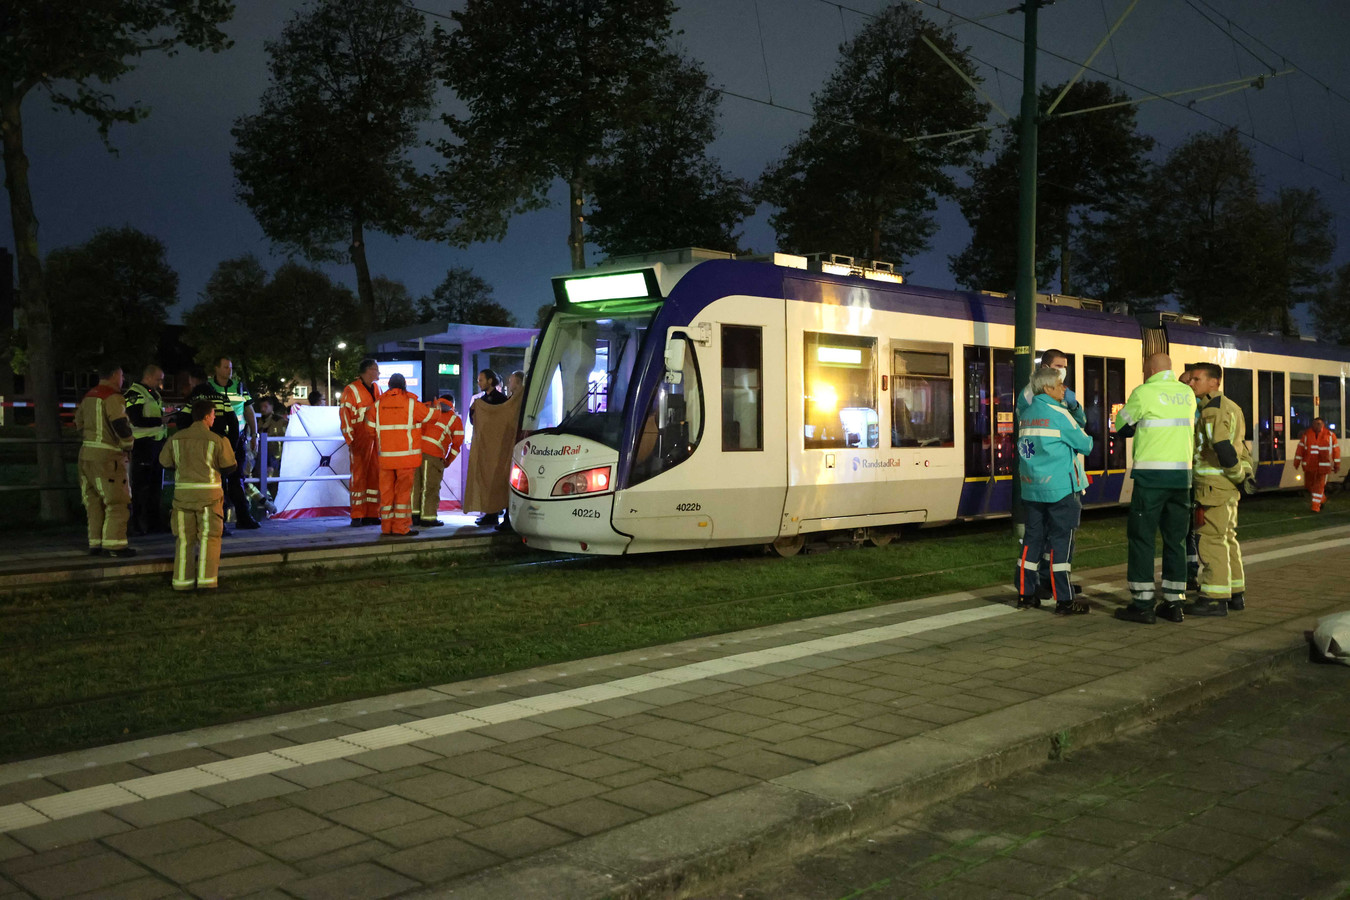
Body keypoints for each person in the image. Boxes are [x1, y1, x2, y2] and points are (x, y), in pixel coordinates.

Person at [1113, 353, 1198, 624]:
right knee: (1176, 540)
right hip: (1182, 479)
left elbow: (1121, 424)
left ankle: (1143, 603)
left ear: (1149, 370)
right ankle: (1173, 603)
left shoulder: (1144, 392)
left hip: (1151, 479)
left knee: (1142, 538)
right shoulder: (1187, 394)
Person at [1014, 366, 1094, 614]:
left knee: (1031, 541)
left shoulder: (1026, 414)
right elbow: (1087, 444)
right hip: (1060, 489)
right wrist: (1073, 409)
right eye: (1060, 385)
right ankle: (1064, 600)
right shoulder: (1059, 414)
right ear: (1048, 388)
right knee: (1061, 543)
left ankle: (1026, 595)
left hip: (1032, 489)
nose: (1064, 389)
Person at [1185, 363, 1254, 617]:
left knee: (1211, 539)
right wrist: (1242, 475)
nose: (1191, 384)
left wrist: (1235, 474)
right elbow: (1241, 446)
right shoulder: (1232, 406)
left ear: (1214, 382)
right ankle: (1236, 593)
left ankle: (1214, 598)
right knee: (1227, 538)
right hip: (1226, 487)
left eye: (1196, 379)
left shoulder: (1211, 410)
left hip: (1213, 487)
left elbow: (1222, 445)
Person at [159, 399, 237, 591]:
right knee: (209, 538)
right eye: (213, 415)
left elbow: (165, 462)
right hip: (209, 499)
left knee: (184, 540)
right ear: (206, 417)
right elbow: (229, 466)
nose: (214, 418)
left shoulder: (176, 439)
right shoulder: (216, 440)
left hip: (182, 498)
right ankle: (206, 582)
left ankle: (182, 583)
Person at [189, 356, 260, 530]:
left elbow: (249, 411)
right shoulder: (207, 389)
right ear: (217, 369)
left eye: (231, 368)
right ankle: (217, 519)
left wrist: (254, 435)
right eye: (226, 367)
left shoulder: (240, 388)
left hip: (237, 440)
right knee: (216, 479)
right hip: (215, 440)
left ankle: (243, 517)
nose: (230, 371)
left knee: (237, 479)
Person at [75, 362, 136, 557]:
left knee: (93, 503)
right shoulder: (113, 397)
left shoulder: (89, 396)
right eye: (121, 375)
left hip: (86, 456)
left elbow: (78, 423)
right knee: (117, 501)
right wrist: (128, 444)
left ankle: (96, 544)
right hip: (108, 458)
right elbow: (120, 423)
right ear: (114, 375)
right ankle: (116, 545)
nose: (123, 379)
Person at [372, 372, 434, 537]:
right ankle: (401, 528)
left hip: (385, 459)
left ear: (390, 385)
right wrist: (435, 408)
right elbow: (430, 416)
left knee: (386, 494)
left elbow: (369, 428)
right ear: (404, 385)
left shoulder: (378, 405)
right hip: (406, 459)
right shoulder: (411, 403)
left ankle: (386, 527)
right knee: (403, 494)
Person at [465, 368, 516, 529]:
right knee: (487, 478)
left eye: (481, 380)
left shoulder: (500, 400)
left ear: (490, 380)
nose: (479, 382)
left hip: (497, 447)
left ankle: (494, 513)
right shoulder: (482, 400)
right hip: (487, 447)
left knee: (497, 479)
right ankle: (490, 512)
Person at [124, 363, 171, 535]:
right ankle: (136, 524)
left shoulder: (153, 393)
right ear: (148, 376)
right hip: (143, 445)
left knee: (155, 487)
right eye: (158, 379)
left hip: (156, 445)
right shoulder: (135, 393)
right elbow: (136, 419)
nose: (160, 383)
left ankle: (154, 523)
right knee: (141, 487)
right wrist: (161, 421)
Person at [339, 359, 382, 526]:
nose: (379, 373)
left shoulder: (377, 388)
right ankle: (357, 514)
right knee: (358, 476)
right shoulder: (351, 389)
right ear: (369, 370)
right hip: (359, 437)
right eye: (376, 370)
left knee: (374, 475)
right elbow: (345, 415)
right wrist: (350, 439)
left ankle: (372, 513)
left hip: (374, 437)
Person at [413, 393, 465, 528]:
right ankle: (428, 518)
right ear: (452, 403)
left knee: (415, 486)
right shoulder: (454, 419)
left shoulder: (428, 408)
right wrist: (448, 461)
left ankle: (414, 516)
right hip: (434, 454)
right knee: (430, 487)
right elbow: (456, 445)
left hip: (415, 452)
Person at [1294, 417, 1341, 512]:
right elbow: (1300, 449)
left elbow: (1336, 450)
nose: (1317, 426)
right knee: (1309, 485)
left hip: (1323, 467)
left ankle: (1315, 506)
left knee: (1318, 486)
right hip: (1309, 466)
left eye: (1319, 424)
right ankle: (1322, 499)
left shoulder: (1330, 435)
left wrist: (1337, 464)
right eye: (1315, 424)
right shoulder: (1307, 435)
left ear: (1323, 425)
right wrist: (1297, 462)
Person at [254, 397, 288, 478]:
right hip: (260, 455)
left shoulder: (279, 421)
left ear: (271, 407)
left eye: (265, 406)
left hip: (275, 456)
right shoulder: (258, 421)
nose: (262, 409)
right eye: (261, 407)